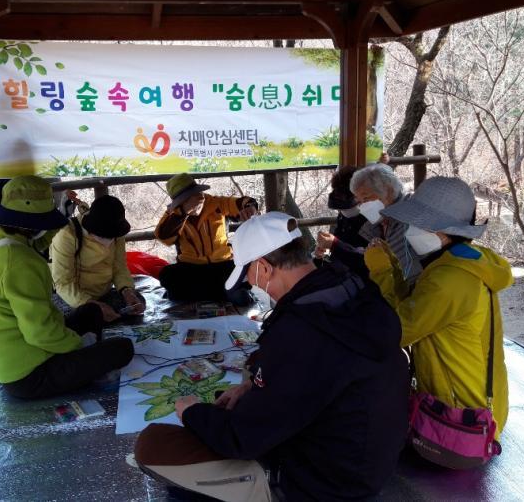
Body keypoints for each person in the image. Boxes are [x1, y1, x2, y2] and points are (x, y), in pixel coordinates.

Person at [135, 212, 409, 501]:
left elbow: (242, 439)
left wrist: (191, 412)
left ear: (264, 268)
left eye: (248, 275)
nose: (251, 284)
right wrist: (252, 386)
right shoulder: (349, 288)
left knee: (154, 447)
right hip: (366, 460)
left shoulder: (301, 331)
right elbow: (316, 379)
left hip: (324, 483)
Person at [364, 176, 511, 437]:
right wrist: (394, 269)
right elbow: (414, 307)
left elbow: (397, 330)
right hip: (476, 405)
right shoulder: (464, 261)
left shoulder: (450, 280)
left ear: (442, 231)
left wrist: (382, 271)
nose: (410, 230)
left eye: (417, 224)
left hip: (464, 419)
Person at [0, 176, 134, 399]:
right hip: (28, 374)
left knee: (92, 311)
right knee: (122, 348)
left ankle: (83, 353)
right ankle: (84, 363)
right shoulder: (20, 263)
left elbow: (39, 240)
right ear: (34, 223)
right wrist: (80, 345)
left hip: (25, 348)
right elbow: (40, 333)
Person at [155, 173, 259, 304]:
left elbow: (241, 203)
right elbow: (163, 237)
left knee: (241, 295)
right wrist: (183, 214)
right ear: (180, 202)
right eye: (188, 199)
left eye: (197, 194)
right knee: (168, 275)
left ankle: (214, 293)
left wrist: (250, 207)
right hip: (191, 269)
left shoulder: (217, 204)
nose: (198, 199)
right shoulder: (174, 215)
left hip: (223, 265)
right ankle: (215, 294)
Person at [316, 163, 422, 283]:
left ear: (388, 190)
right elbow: (368, 256)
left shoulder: (406, 219)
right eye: (360, 201)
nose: (362, 206)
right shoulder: (379, 220)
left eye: (365, 198)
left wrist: (336, 245)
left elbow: (371, 264)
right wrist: (326, 254)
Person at [50, 194, 146, 319]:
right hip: (72, 296)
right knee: (82, 316)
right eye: (104, 236)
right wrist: (91, 304)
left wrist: (127, 291)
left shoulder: (117, 232)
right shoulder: (67, 234)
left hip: (103, 294)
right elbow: (63, 283)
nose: (108, 240)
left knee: (137, 302)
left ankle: (104, 315)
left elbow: (119, 268)